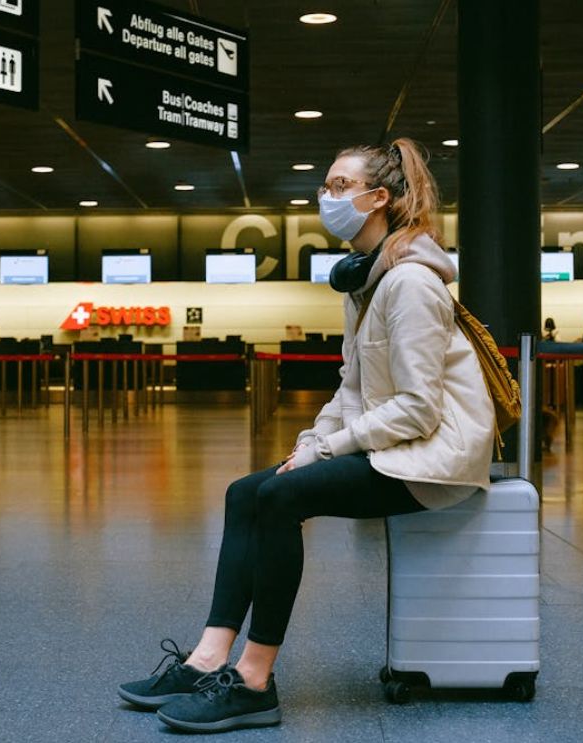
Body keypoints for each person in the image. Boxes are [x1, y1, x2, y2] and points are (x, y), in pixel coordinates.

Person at [117, 139, 496, 733]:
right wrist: (310, 442)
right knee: (247, 491)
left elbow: (420, 410)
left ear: (379, 199)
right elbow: (352, 386)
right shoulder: (367, 283)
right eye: (326, 185)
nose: (326, 196)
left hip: (431, 462)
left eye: (340, 186)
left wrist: (330, 449)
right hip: (392, 447)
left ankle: (253, 681)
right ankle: (206, 658)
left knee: (281, 497)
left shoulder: (411, 285)